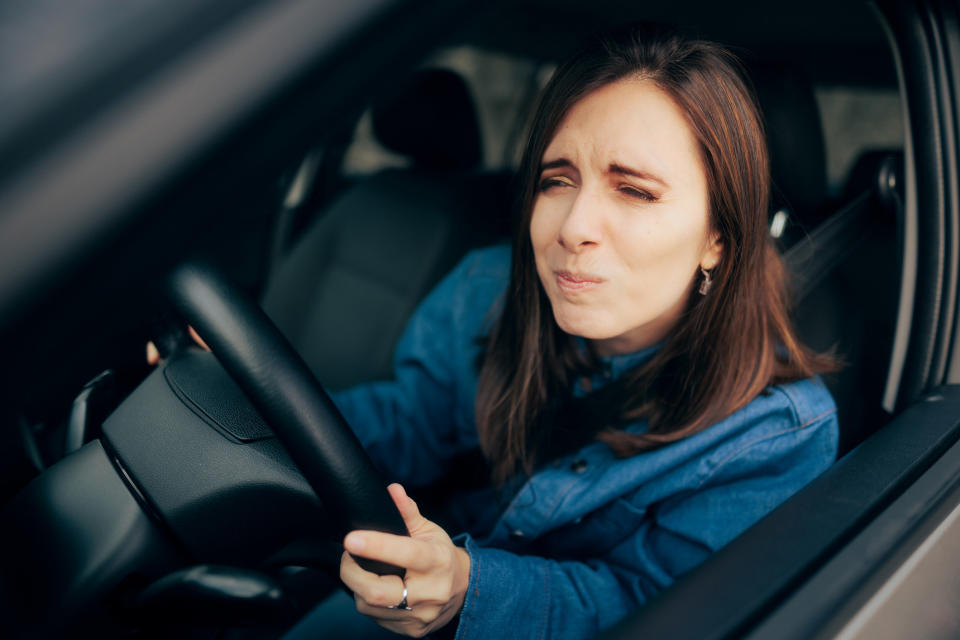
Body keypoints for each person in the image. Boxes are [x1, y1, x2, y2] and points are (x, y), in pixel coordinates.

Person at [285, 23, 839, 639]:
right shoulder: (486, 287)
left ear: (717, 237)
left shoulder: (775, 434)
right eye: (557, 180)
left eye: (634, 190)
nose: (574, 226)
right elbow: (407, 423)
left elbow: (651, 605)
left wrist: (471, 588)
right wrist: (258, 406)